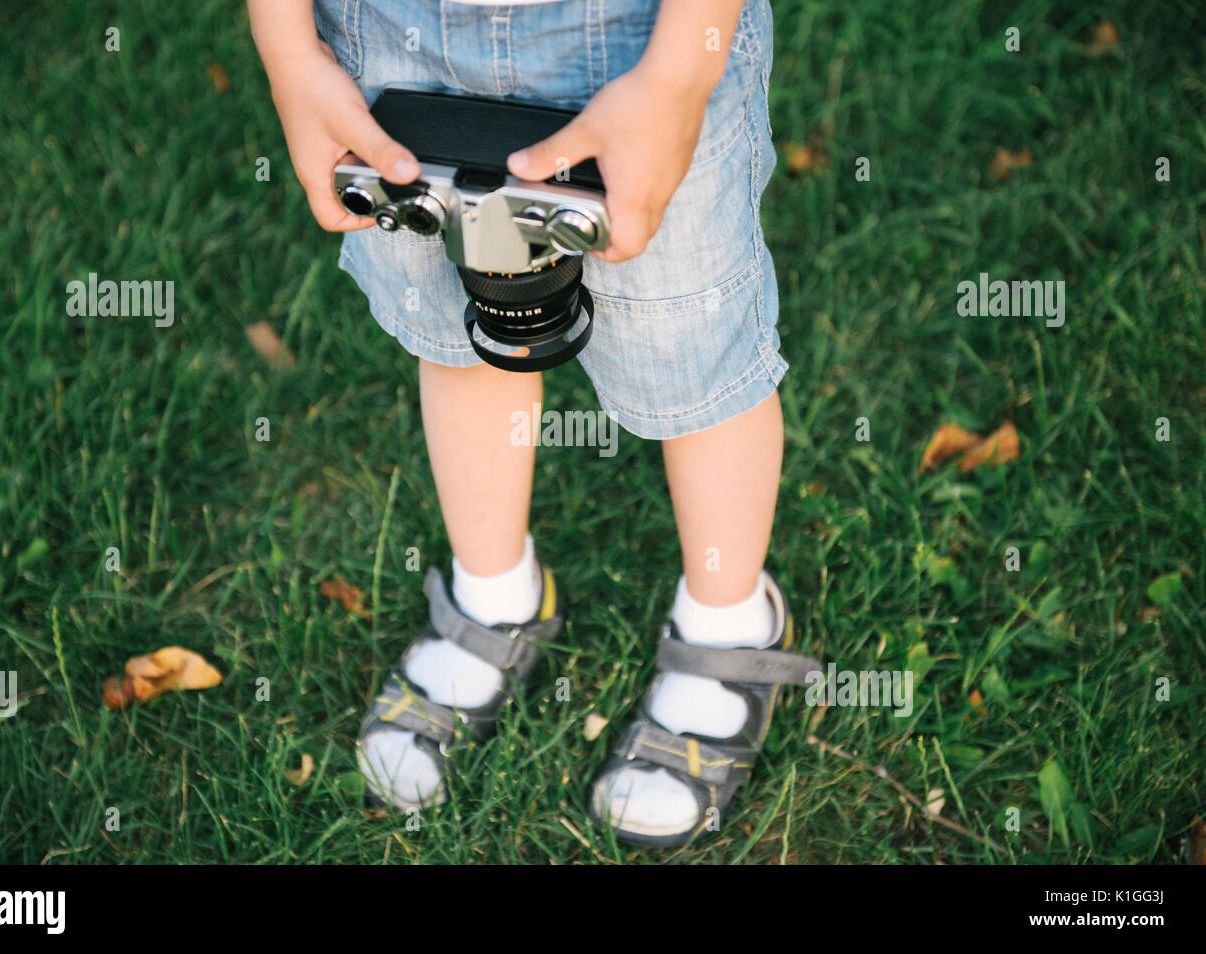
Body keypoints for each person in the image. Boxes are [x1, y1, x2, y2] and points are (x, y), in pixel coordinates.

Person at [248, 0, 818, 847]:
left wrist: (678, 75)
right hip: (391, 40)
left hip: (640, 39)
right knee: (457, 337)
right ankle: (493, 594)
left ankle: (728, 620)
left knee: (696, 353)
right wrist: (288, 49)